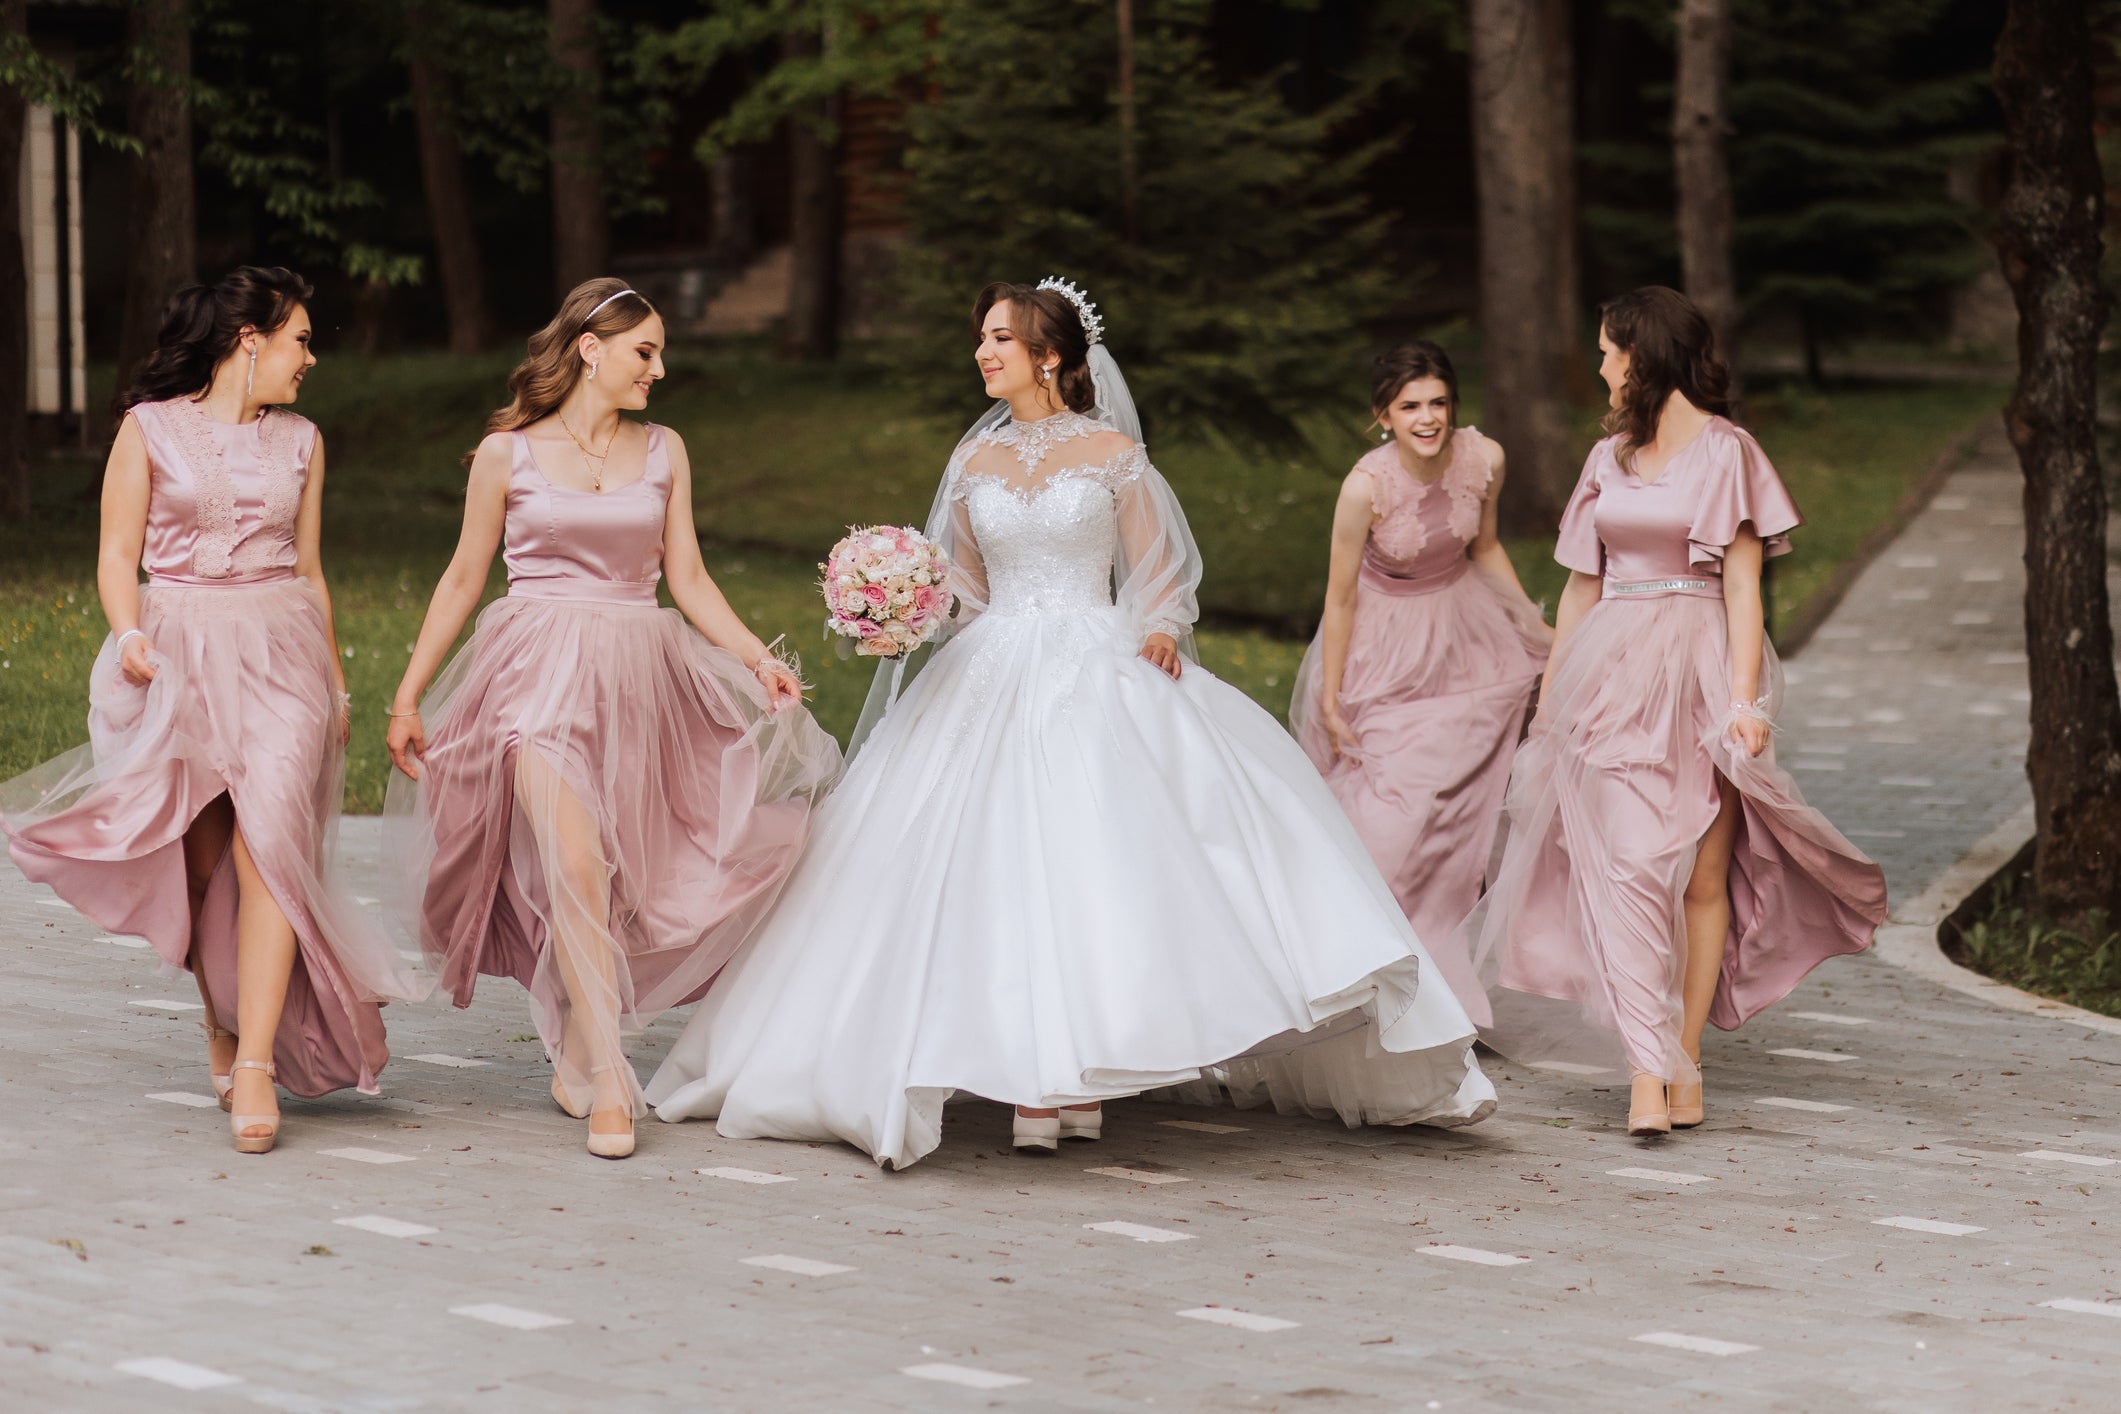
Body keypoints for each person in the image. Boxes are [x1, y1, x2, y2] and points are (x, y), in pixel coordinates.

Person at [646, 278, 1495, 1169]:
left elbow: (1158, 568)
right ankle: (1029, 1079)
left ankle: (1076, 1080)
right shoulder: (972, 465)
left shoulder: (1111, 455)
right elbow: (966, 592)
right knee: (994, 869)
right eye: (981, 338)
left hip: (1096, 657)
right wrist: (900, 608)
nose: (983, 353)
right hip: (991, 667)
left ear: (1048, 357)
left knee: (1090, 870)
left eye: (1001, 340)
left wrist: (1161, 628)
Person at [382, 278, 840, 1159]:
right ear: (591, 347)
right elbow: (461, 578)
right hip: (534, 675)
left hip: (637, 676)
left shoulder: (664, 450)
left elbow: (690, 578)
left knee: (626, 873)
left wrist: (756, 654)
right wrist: (407, 695)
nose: (658, 370)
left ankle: (574, 1042)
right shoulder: (504, 455)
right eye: (645, 351)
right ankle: (609, 1080)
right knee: (578, 863)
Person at [1, 266, 419, 1154]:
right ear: (251, 337)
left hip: (282, 655)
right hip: (179, 651)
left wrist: (337, 684)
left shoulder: (304, 439)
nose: (311, 357)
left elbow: (310, 569)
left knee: (268, 846)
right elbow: (118, 553)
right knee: (200, 869)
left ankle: (258, 1063)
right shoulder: (147, 429)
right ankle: (220, 1022)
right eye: (301, 338)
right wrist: (127, 635)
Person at [1464, 286, 1888, 1136]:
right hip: (1609, 673)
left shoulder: (1729, 453)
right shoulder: (1605, 459)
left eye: (1606, 352)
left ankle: (1681, 1060)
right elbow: (1581, 585)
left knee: (1700, 878)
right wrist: (1551, 703)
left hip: (1697, 668)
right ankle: (1645, 1072)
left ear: (1642, 356)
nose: (1599, 367)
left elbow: (1740, 586)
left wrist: (1745, 703)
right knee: (1625, 867)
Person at [1291, 341, 1550, 1017]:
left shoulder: (1484, 456)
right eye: (1410, 406)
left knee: (1455, 807)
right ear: (1383, 415)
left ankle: (1437, 971)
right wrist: (1330, 693)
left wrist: (1532, 629)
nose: (1427, 417)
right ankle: (1360, 967)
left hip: (1465, 635)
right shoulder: (1364, 487)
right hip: (1385, 644)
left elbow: (1484, 546)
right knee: (1388, 811)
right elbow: (1339, 596)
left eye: (1438, 403)